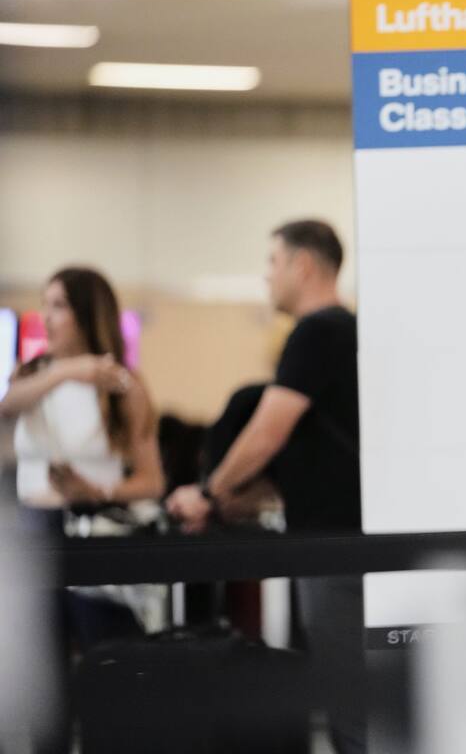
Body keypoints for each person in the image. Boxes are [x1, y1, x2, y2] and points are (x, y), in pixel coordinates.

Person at [165, 218, 363, 754]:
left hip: (334, 544)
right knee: (350, 698)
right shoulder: (343, 332)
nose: (266, 276)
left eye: (273, 262)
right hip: (341, 540)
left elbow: (267, 431)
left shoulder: (317, 331)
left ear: (304, 265)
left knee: (349, 702)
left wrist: (207, 493)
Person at [1, 267, 166, 644]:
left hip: (94, 532)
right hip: (33, 531)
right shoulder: (31, 376)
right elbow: (7, 406)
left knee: (103, 649)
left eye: (58, 306)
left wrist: (94, 492)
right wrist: (68, 370)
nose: (46, 317)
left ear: (88, 313)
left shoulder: (123, 385)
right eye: (44, 305)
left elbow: (152, 481)